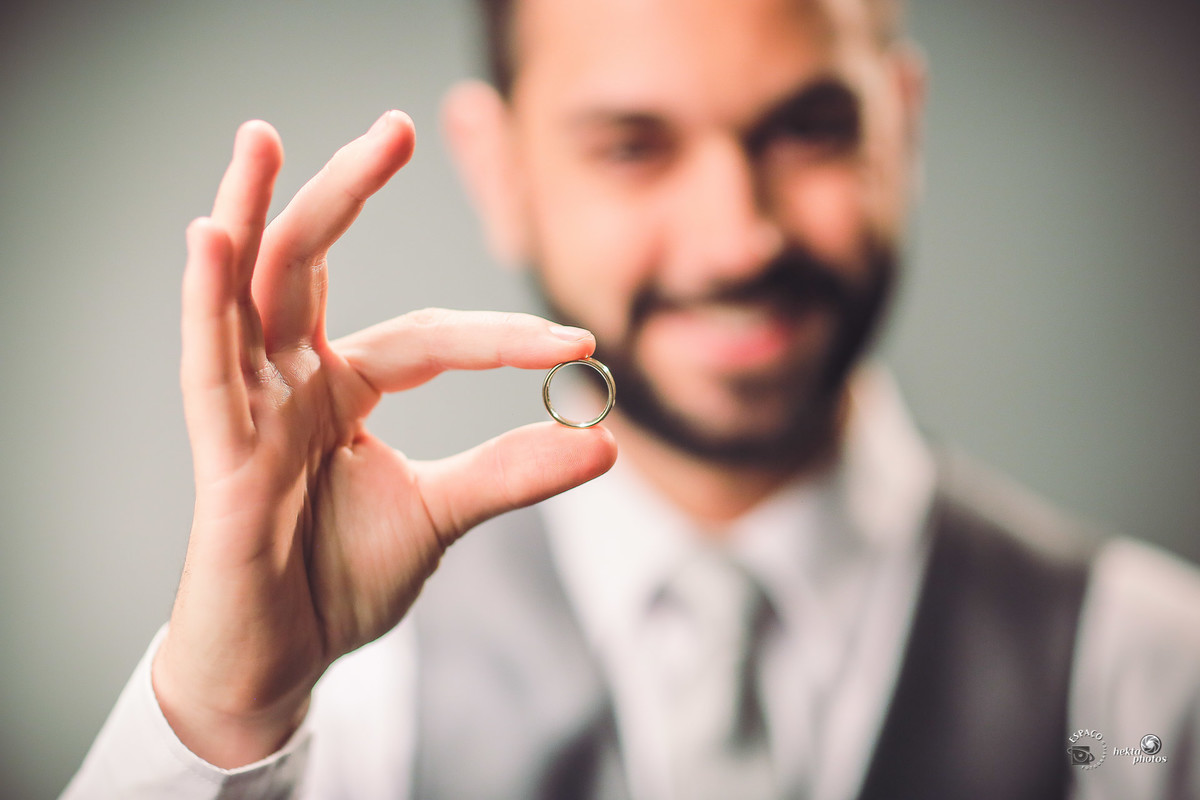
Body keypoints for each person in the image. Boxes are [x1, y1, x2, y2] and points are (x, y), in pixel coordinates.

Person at [63, 0, 1200, 798]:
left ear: (902, 124)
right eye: (632, 146)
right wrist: (222, 712)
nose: (737, 237)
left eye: (809, 127)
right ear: (500, 172)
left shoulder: (1154, 673)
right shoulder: (339, 702)